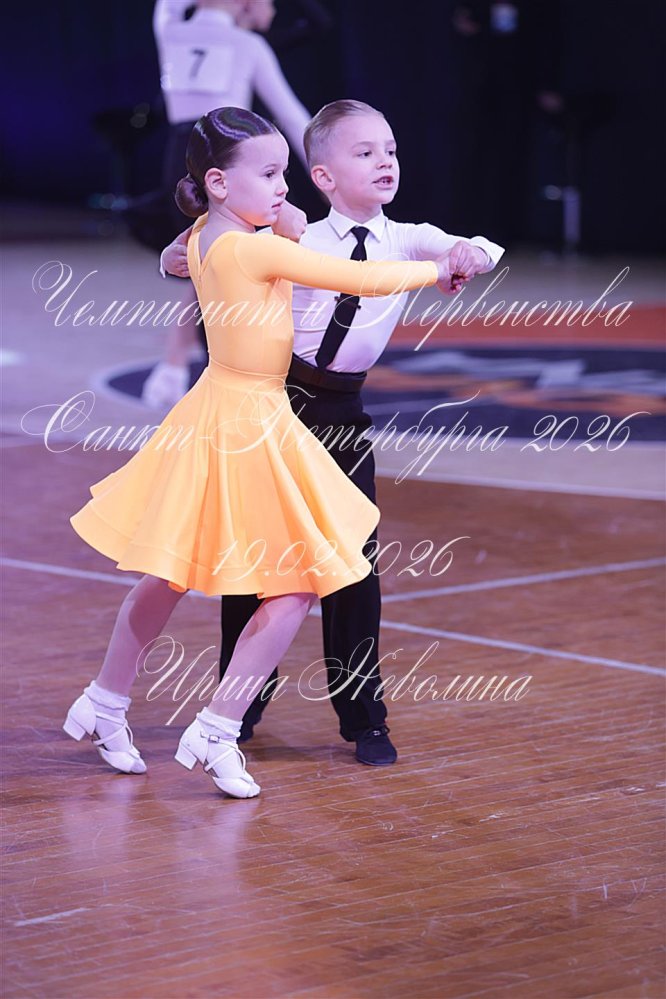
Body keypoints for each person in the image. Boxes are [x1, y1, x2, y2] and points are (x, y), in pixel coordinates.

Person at [63, 107, 460, 799]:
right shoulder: (254, 249)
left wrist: (272, 219)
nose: (284, 187)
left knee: (172, 572)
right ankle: (213, 728)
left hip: (227, 411)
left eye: (285, 173)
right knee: (296, 581)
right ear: (219, 182)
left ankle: (108, 699)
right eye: (271, 174)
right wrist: (437, 268)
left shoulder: (207, 236)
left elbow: (189, 248)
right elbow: (359, 279)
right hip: (250, 419)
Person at [161, 99, 504, 765]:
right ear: (322, 176)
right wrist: (176, 254)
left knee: (353, 564)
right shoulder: (291, 236)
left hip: (342, 414)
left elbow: (481, 249)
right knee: (256, 562)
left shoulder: (407, 238)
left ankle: (364, 717)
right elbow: (196, 251)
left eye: (391, 151)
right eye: (365, 152)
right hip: (276, 403)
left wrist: (467, 255)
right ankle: (237, 707)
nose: (384, 162)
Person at [144, 0, 312, 407]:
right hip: (230, 163)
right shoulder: (247, 45)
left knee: (209, 266)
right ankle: (206, 374)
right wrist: (329, 172)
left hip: (180, 163)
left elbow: (169, 5)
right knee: (224, 269)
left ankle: (177, 369)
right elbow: (292, 116)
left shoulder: (170, 30)